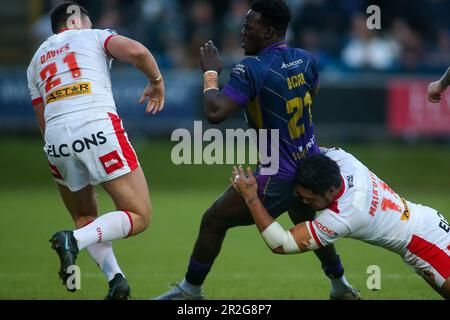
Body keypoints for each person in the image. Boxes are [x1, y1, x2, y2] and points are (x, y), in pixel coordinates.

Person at [155, 0, 359, 300]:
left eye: (248, 26)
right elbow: (310, 94)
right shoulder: (305, 59)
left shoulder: (251, 68)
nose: (242, 32)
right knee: (307, 221)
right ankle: (340, 285)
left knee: (213, 220)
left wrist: (210, 73)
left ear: (267, 31)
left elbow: (215, 113)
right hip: (309, 162)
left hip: (280, 173)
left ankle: (190, 290)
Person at [26, 2, 165, 299]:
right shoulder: (95, 36)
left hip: (55, 138)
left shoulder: (36, 61)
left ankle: (116, 281)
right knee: (139, 215)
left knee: (85, 216)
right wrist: (156, 80)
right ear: (77, 20)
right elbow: (139, 52)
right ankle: (72, 241)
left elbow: (43, 118)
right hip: (96, 123)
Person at [231, 148, 450, 300]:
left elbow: (280, 244)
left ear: (331, 191)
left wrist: (251, 197)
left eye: (311, 199)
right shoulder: (342, 159)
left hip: (423, 245)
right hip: (425, 219)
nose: (305, 203)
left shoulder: (344, 216)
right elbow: (309, 151)